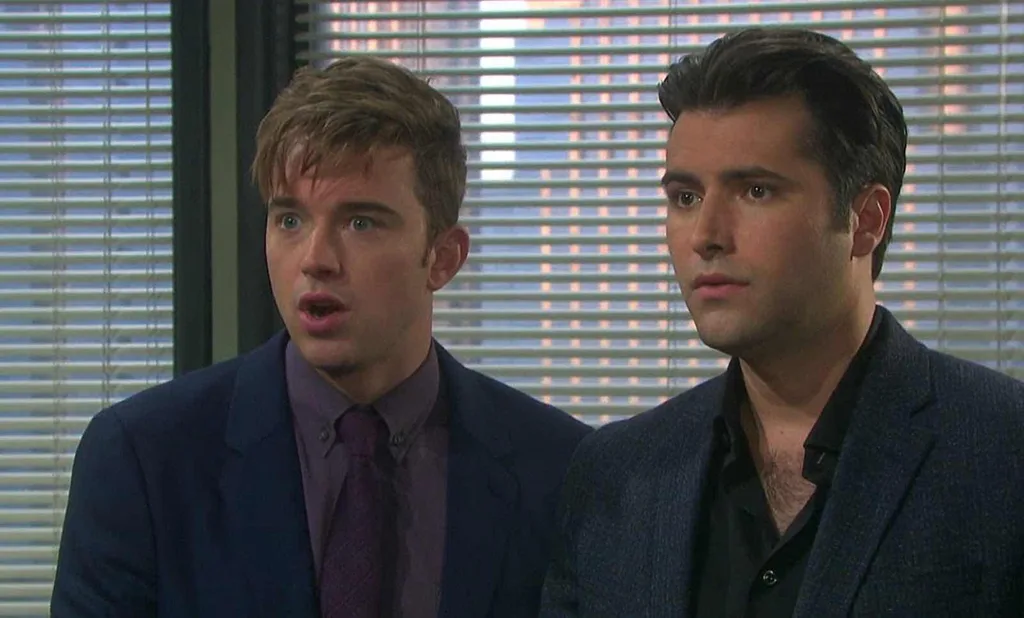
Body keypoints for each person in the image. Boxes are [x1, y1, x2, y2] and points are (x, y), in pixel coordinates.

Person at [51, 55, 592, 618]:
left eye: (360, 222)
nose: (315, 259)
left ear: (442, 257)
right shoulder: (145, 460)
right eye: (290, 219)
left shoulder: (558, 471)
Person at [541, 27, 1024, 617]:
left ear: (866, 220)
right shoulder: (616, 474)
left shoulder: (1002, 451)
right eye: (686, 198)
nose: (706, 236)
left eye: (756, 191)